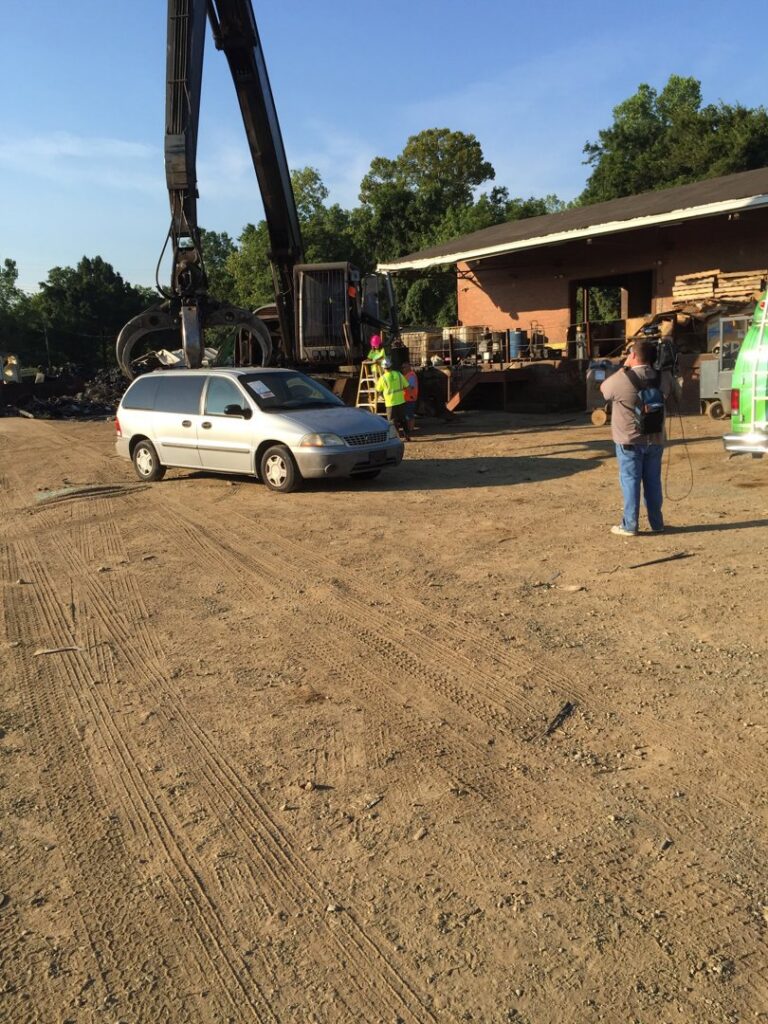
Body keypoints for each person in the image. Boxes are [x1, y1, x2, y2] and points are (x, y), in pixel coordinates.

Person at [599, 339, 672, 536]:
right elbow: (674, 393)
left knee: (631, 482)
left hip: (629, 441)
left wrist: (623, 368)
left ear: (633, 355)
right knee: (653, 482)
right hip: (655, 439)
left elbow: (604, 390)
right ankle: (657, 524)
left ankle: (630, 525)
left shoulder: (622, 379)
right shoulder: (663, 377)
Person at [376, 357, 410, 440]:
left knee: (392, 421)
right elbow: (407, 386)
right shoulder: (398, 374)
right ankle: (407, 435)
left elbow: (378, 390)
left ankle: (397, 436)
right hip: (401, 401)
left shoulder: (382, 378)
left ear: (383, 368)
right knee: (403, 419)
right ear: (391, 366)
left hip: (390, 403)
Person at [401, 361, 419, 436]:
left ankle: (410, 429)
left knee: (409, 415)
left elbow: (410, 387)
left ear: (408, 367)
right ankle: (410, 429)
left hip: (410, 398)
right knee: (408, 415)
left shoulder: (411, 375)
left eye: (404, 367)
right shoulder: (407, 375)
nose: (402, 369)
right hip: (408, 398)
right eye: (402, 368)